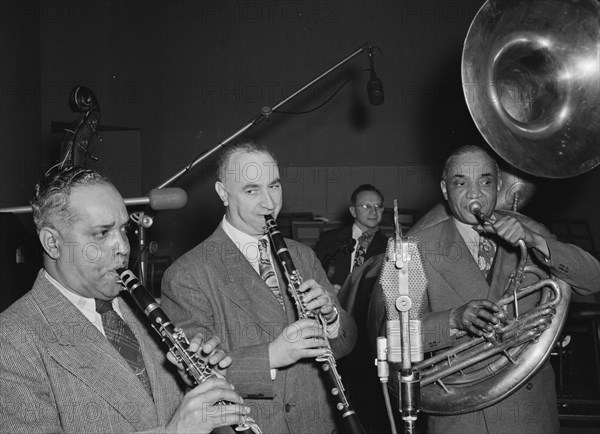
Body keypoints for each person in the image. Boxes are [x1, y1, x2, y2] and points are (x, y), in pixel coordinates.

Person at [0, 166, 250, 433]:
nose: (122, 247)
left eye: (123, 229)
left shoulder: (145, 309)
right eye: (102, 233)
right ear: (52, 243)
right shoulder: (13, 340)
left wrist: (192, 383)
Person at [369, 145, 600, 434]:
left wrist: (537, 242)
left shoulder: (530, 230)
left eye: (486, 182)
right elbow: (392, 340)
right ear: (444, 189)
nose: (475, 194)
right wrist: (453, 319)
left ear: (499, 185)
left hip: (530, 414)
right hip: (463, 419)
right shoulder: (410, 249)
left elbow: (593, 279)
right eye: (461, 183)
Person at [161, 140, 357, 434]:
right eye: (252, 190)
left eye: (274, 186)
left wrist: (331, 320)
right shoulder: (187, 273)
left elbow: (347, 341)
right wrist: (272, 356)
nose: (269, 203)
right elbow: (195, 372)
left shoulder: (302, 256)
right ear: (223, 194)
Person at [314, 183, 388, 290]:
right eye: (366, 206)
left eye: (378, 206)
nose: (374, 212)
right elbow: (312, 273)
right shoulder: (329, 239)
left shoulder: (389, 246)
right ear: (353, 211)